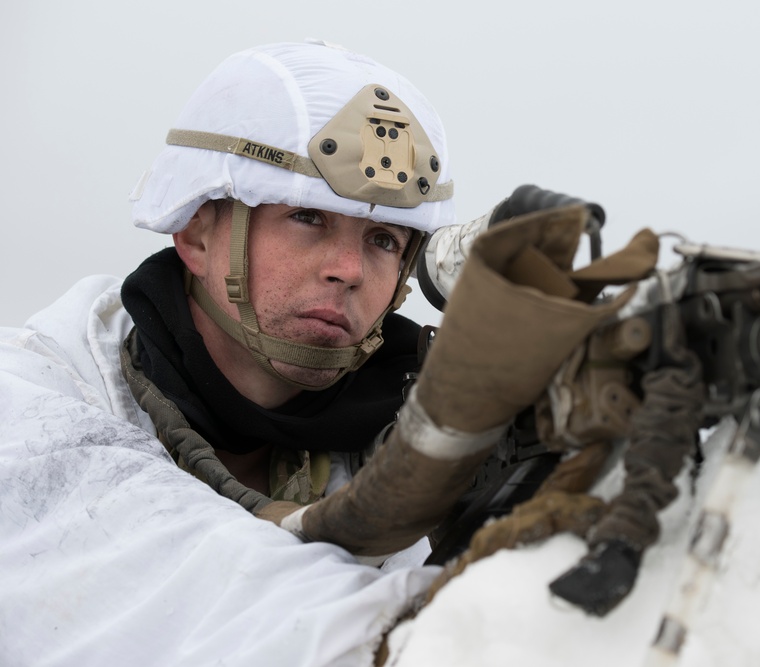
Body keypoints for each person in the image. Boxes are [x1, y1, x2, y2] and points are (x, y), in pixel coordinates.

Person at [0, 40, 649, 666]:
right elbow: (194, 596)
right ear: (197, 232)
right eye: (308, 218)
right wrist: (465, 617)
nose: (349, 269)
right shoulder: (37, 394)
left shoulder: (403, 428)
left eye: (385, 239)